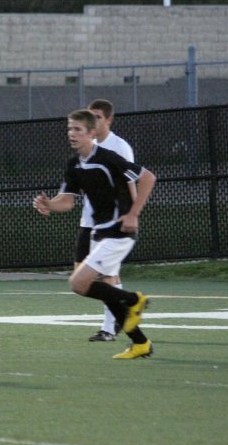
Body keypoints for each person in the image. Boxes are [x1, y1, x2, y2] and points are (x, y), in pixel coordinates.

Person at [33, 109, 156, 359]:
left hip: (118, 232)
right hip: (99, 233)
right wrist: (48, 204)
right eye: (69, 129)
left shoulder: (108, 157)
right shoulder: (75, 164)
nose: (71, 134)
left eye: (77, 129)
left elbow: (148, 178)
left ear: (92, 133)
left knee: (78, 283)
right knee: (103, 288)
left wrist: (133, 213)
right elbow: (66, 202)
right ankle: (140, 343)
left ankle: (134, 300)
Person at [80, 99, 135, 342]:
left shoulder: (119, 147)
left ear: (109, 120)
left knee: (103, 276)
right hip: (89, 222)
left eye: (98, 117)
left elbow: (131, 181)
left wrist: (130, 214)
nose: (94, 121)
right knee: (83, 278)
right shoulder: (86, 147)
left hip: (112, 222)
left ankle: (110, 328)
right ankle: (127, 307)